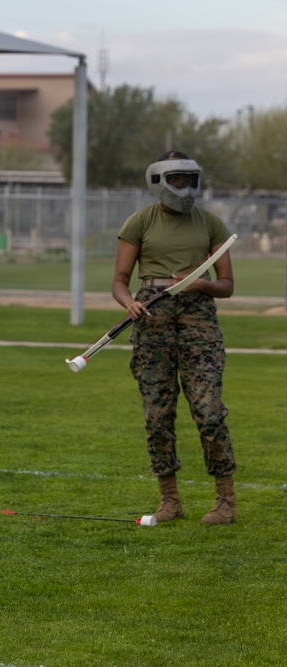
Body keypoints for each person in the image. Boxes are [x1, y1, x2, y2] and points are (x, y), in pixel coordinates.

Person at [112, 150, 236, 525]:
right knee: (158, 415)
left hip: (199, 319)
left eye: (190, 180)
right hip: (153, 318)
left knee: (209, 411)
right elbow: (119, 281)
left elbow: (227, 285)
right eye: (177, 180)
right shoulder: (139, 223)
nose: (185, 188)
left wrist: (200, 284)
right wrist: (128, 302)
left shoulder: (210, 223)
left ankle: (225, 502)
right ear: (160, 180)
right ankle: (170, 500)